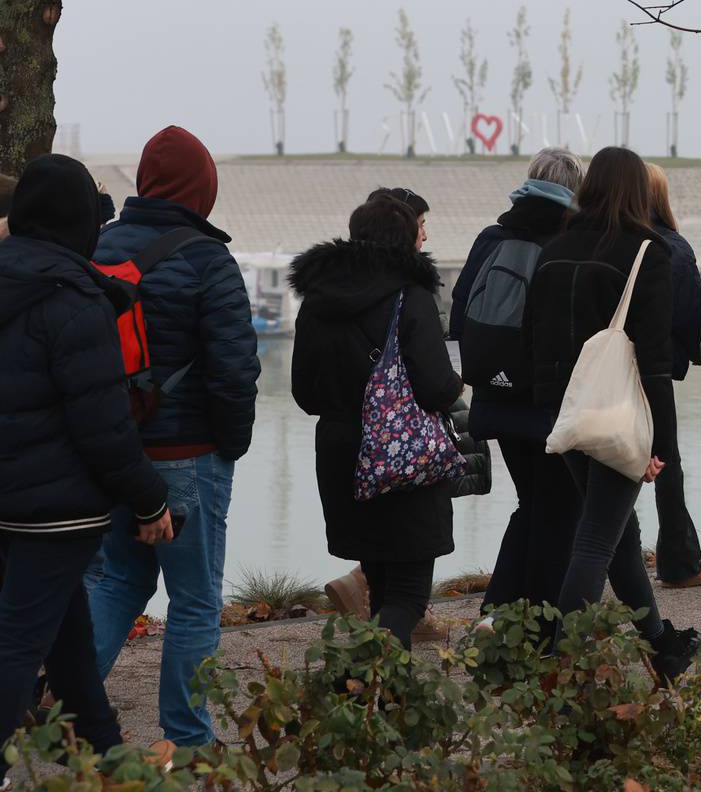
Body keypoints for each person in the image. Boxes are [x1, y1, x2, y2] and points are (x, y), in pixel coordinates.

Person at [1, 155, 176, 781]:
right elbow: (102, 426)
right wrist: (150, 499)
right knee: (19, 642)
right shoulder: (75, 299)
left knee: (66, 631)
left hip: (9, 499)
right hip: (56, 507)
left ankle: (104, 754)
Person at [87, 127, 259, 751]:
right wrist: (230, 446)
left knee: (117, 583)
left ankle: (56, 701)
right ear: (201, 189)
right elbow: (236, 370)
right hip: (187, 455)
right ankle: (186, 737)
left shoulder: (97, 249)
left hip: (109, 454)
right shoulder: (208, 261)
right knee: (193, 601)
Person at [524, 147, 699, 679]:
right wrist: (661, 444)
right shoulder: (647, 251)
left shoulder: (554, 247)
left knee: (617, 533)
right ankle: (563, 663)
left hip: (566, 407)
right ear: (637, 192)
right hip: (619, 410)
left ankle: (659, 645)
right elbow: (653, 358)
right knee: (598, 536)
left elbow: (533, 334)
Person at [289, 195, 461, 651]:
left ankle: (382, 705)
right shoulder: (411, 294)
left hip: (343, 454)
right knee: (408, 592)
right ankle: (361, 674)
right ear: (404, 238)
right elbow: (437, 387)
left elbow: (304, 394)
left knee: (381, 584)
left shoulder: (317, 298)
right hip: (403, 461)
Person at [447, 148, 582, 615]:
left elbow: (459, 314)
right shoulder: (569, 240)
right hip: (548, 403)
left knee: (534, 503)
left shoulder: (492, 237)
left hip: (494, 397)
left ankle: (499, 611)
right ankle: (539, 622)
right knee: (559, 510)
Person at [643, 160, 701, 588]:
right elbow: (692, 314)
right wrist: (699, 354)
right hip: (651, 374)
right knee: (666, 465)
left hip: (599, 372)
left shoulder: (599, 239)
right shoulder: (671, 247)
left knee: (609, 461)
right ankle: (679, 562)